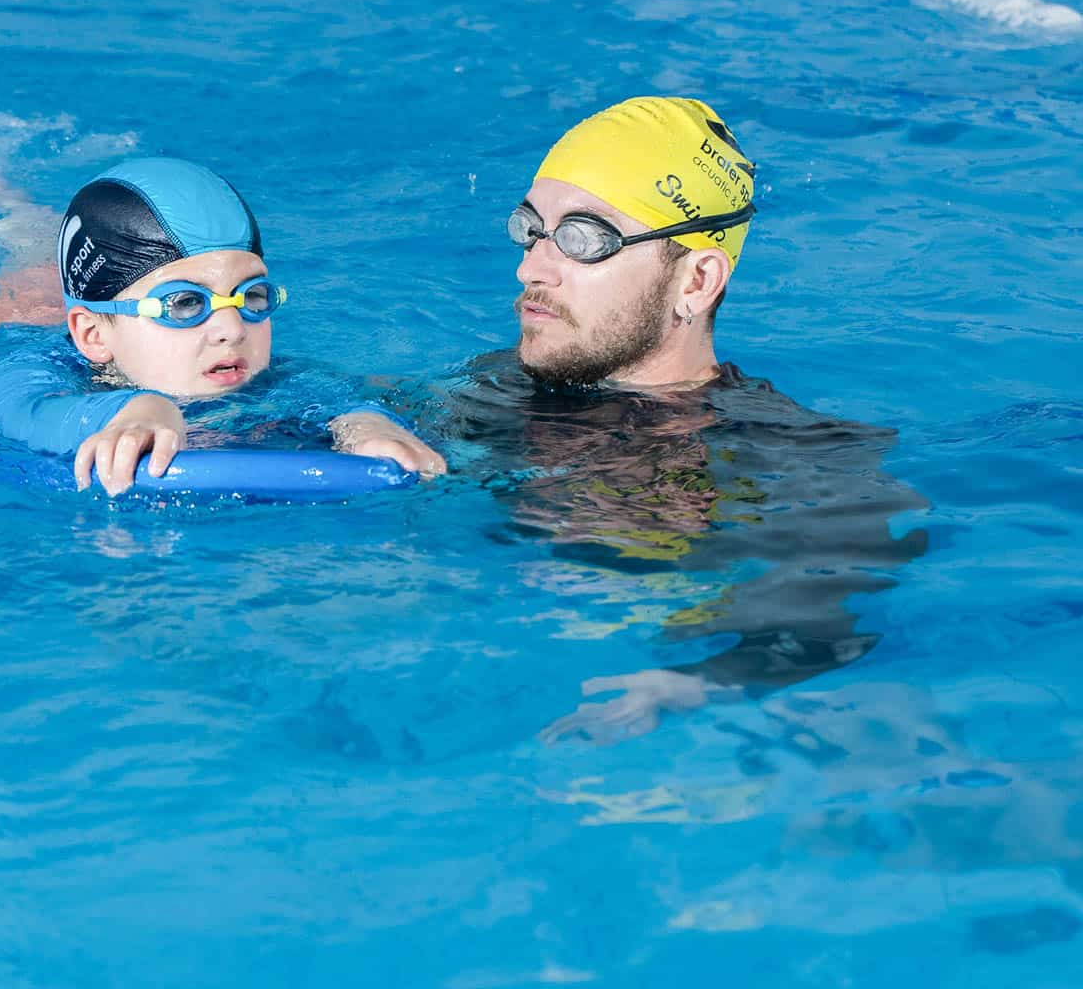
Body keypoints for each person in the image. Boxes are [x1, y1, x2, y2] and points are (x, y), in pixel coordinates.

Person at [386, 97, 927, 742]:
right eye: (529, 228)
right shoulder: (487, 386)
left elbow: (822, 624)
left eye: (583, 239)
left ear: (697, 282)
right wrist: (360, 421)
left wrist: (695, 685)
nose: (530, 266)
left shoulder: (801, 458)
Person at [0, 157, 444, 495]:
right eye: (185, 305)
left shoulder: (267, 380)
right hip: (16, 325)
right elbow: (27, 410)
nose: (230, 329)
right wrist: (137, 408)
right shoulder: (23, 364)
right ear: (95, 336)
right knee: (15, 288)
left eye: (252, 296)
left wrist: (366, 423)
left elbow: (327, 398)